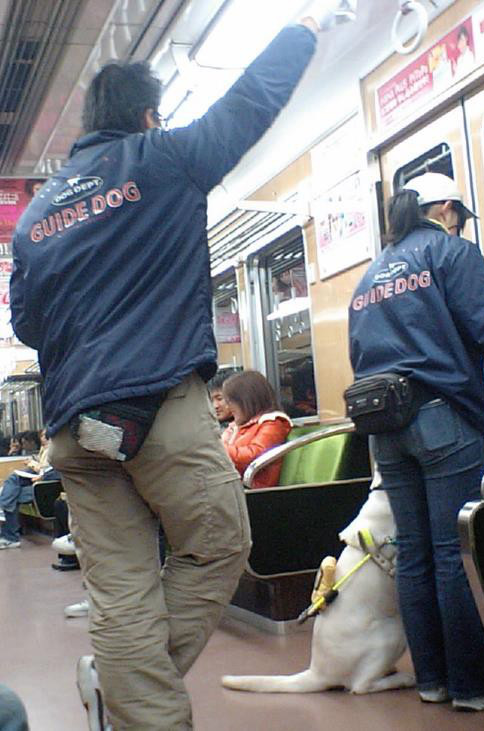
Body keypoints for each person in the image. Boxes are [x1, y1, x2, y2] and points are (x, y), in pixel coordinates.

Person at [8, 6, 340, 728]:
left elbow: (26, 323)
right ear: (151, 115)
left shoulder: (33, 220)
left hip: (74, 430)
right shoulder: (163, 159)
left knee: (121, 592)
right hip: (156, 408)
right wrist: (305, 29)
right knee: (220, 543)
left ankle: (130, 694)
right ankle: (130, 686)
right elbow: (248, 103)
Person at [348, 171, 484, 711]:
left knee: (417, 554)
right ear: (446, 208)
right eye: (459, 217)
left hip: (385, 427)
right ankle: (476, 684)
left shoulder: (371, 275)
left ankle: (433, 679)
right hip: (441, 417)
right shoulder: (450, 254)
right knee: (452, 553)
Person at [222, 370, 293, 488]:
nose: (227, 407)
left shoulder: (273, 423)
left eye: (230, 402)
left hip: (254, 487)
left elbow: (255, 454)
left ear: (246, 401)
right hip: (235, 483)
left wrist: (219, 449)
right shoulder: (238, 426)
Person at [0, 429, 59, 549]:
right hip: (40, 483)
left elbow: (52, 471)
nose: (44, 438)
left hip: (47, 487)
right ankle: (9, 535)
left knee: (10, 495)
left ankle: (10, 536)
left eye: (46, 435)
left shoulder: (56, 451)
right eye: (42, 436)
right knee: (12, 490)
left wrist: (39, 472)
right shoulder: (45, 451)